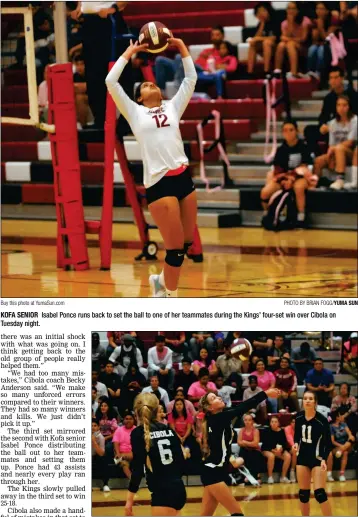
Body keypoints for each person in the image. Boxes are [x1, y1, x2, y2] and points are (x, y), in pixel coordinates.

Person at [106, 38, 197, 298]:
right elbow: (111, 82)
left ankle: (159, 281)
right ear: (139, 98)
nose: (150, 84)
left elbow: (190, 79)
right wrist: (129, 52)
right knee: (175, 251)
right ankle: (169, 296)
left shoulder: (172, 106)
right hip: (160, 184)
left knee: (187, 244)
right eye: (144, 85)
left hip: (184, 178)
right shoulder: (135, 113)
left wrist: (181, 47)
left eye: (151, 82)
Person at [198, 387, 280, 516]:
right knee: (237, 514)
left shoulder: (217, 418)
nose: (219, 397)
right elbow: (243, 407)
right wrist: (265, 394)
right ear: (210, 408)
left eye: (217, 396)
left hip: (214, 470)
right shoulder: (220, 418)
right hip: (213, 472)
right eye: (214, 398)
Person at [70, 1, 132, 130]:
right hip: (88, 22)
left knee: (118, 71)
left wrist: (113, 9)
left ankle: (126, 120)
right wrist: (79, 7)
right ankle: (100, 121)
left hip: (109, 20)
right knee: (93, 75)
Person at [124, 393, 187, 516]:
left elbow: (137, 470)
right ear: (157, 409)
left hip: (162, 493)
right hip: (179, 489)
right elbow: (181, 463)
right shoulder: (168, 429)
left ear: (136, 412)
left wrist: (129, 500)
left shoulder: (138, 433)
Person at [260, 121, 312, 227]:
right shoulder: (281, 150)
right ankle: (268, 214)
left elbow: (304, 166)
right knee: (265, 192)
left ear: (297, 131)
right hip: (284, 177)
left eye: (291, 130)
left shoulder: (303, 147)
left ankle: (301, 216)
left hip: (300, 176)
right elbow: (278, 169)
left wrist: (291, 179)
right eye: (285, 130)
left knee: (298, 187)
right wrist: (283, 180)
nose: (288, 133)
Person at [304, 66, 358, 157]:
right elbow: (323, 116)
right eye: (331, 78)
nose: (333, 81)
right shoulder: (329, 98)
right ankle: (318, 156)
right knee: (309, 130)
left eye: (336, 77)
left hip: (349, 128)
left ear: (342, 78)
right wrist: (323, 125)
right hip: (333, 128)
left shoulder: (353, 95)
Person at [294, 391, 333, 516]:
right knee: (303, 495)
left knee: (320, 494)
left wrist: (324, 459)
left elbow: (328, 443)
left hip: (318, 458)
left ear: (315, 402)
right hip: (303, 458)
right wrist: (295, 443)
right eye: (305, 398)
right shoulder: (299, 417)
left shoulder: (322, 420)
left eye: (311, 399)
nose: (307, 401)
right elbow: (297, 435)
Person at [313, 95, 358, 189]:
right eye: (339, 105)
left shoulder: (355, 120)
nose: (341, 108)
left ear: (349, 107)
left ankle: (340, 179)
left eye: (344, 105)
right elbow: (331, 144)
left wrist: (334, 149)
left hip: (351, 154)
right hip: (336, 151)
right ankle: (317, 183)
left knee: (339, 148)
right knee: (318, 161)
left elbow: (351, 142)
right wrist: (331, 157)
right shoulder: (333, 123)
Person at [274, 1, 312, 78]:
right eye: (289, 8)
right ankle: (277, 71)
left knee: (290, 44)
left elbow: (303, 39)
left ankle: (293, 72)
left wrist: (290, 39)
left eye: (293, 8)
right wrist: (290, 23)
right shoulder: (285, 23)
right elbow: (283, 37)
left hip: (305, 47)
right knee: (281, 45)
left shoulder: (305, 21)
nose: (290, 11)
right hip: (292, 45)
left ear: (298, 10)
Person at [307, 2, 339, 81]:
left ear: (327, 11)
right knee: (312, 48)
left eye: (322, 9)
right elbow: (314, 40)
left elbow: (327, 38)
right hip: (319, 44)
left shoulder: (333, 20)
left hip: (333, 46)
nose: (319, 11)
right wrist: (317, 26)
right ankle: (310, 72)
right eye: (317, 9)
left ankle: (319, 73)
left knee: (322, 50)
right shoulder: (315, 21)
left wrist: (320, 26)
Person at [247, 2, 280, 77]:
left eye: (263, 11)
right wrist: (262, 24)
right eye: (258, 12)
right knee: (253, 44)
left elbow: (275, 37)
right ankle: (250, 72)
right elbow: (255, 39)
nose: (261, 13)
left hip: (277, 46)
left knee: (266, 43)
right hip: (266, 47)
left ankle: (266, 71)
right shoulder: (261, 23)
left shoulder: (275, 20)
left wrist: (259, 38)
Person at [327, 408, 355, 482]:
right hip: (336, 446)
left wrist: (350, 437)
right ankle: (341, 475)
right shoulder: (331, 427)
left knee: (352, 439)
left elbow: (349, 434)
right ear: (337, 417)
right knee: (345, 452)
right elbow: (332, 441)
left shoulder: (344, 424)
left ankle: (342, 475)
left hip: (346, 445)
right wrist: (341, 446)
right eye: (340, 415)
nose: (342, 416)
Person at [261, 415, 292, 484]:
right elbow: (265, 443)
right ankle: (270, 477)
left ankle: (283, 477)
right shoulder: (266, 431)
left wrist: (281, 450)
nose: (274, 423)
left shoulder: (282, 431)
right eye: (272, 422)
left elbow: (284, 443)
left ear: (278, 423)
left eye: (275, 422)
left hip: (278, 450)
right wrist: (273, 450)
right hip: (267, 449)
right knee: (271, 456)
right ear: (270, 423)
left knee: (288, 456)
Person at [237, 413, 263, 484]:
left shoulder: (255, 431)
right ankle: (247, 477)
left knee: (254, 455)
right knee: (243, 453)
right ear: (243, 421)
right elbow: (239, 442)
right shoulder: (242, 430)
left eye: (249, 420)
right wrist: (249, 443)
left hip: (255, 450)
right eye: (245, 420)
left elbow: (255, 444)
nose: (247, 422)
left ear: (252, 421)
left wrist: (244, 442)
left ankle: (253, 477)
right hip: (244, 450)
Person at [113, 410, 136, 480]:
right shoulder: (119, 430)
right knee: (124, 464)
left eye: (130, 419)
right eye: (126, 419)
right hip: (121, 453)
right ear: (123, 420)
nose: (128, 421)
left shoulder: (137, 430)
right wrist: (118, 453)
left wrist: (125, 455)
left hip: (133, 453)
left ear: (134, 420)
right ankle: (133, 481)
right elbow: (115, 443)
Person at [72, 54, 92, 128]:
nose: (79, 67)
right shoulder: (74, 76)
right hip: (79, 99)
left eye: (82, 64)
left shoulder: (91, 74)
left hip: (93, 97)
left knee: (79, 98)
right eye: (77, 64)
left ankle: (84, 126)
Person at [92, 418, 111, 492]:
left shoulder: (101, 437)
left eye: (95, 425)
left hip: (96, 456)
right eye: (91, 425)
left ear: (98, 427)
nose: (93, 427)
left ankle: (105, 484)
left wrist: (93, 441)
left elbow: (101, 453)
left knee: (103, 459)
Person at [284, 415, 298, 482]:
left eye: (296, 422)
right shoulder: (287, 428)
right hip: (288, 448)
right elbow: (290, 439)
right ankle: (292, 471)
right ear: (290, 423)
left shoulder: (301, 429)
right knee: (295, 450)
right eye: (293, 422)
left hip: (299, 447)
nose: (294, 424)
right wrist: (294, 446)